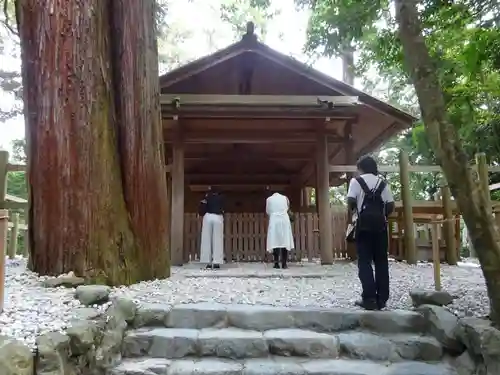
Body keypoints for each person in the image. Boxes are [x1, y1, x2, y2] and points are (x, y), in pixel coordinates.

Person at [347, 155, 395, 310]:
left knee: (365, 261)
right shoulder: (383, 183)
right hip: (380, 226)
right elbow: (390, 205)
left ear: (360, 168)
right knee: (381, 261)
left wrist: (358, 214)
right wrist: (381, 216)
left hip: (363, 226)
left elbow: (351, 202)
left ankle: (369, 298)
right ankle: (382, 298)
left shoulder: (356, 182)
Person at [266, 191, 295, 269]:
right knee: (284, 241)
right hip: (284, 220)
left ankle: (276, 263)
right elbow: (288, 208)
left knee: (275, 241)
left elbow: (268, 211)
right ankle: (284, 264)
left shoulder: (269, 199)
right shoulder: (285, 198)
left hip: (274, 220)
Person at [199, 187, 224, 269]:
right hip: (218, 217)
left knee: (206, 239)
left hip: (208, 216)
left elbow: (202, 209)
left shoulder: (206, 197)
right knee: (218, 239)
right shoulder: (222, 198)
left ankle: (207, 261)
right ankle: (217, 261)